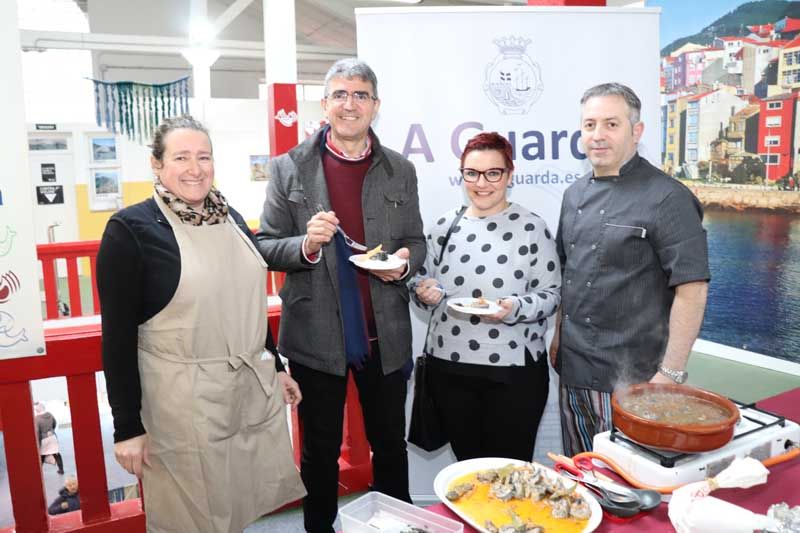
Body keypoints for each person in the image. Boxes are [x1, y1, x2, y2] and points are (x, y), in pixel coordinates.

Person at [96, 115, 306, 533]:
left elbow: (247, 299)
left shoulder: (229, 216)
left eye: (204, 157)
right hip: (181, 403)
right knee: (190, 517)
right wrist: (127, 429)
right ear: (156, 164)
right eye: (181, 157)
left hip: (245, 391)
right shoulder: (130, 231)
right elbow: (117, 341)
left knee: (238, 505)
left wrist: (276, 368)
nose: (195, 168)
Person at [256, 58, 425, 533]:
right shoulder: (288, 168)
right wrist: (306, 244)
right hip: (315, 334)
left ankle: (399, 526)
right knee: (319, 450)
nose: (350, 104)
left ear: (375, 106)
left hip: (383, 330)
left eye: (361, 95)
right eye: (340, 95)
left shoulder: (400, 169)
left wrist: (405, 262)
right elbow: (267, 245)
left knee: (390, 444)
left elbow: (417, 238)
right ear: (326, 104)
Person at [549, 83, 710, 456]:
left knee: (632, 487)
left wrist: (669, 375)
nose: (598, 136)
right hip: (573, 372)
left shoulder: (668, 197)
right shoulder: (573, 195)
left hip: (635, 382)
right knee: (582, 474)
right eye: (589, 125)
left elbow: (693, 288)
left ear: (636, 131)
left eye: (611, 124)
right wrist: (558, 336)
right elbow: (568, 273)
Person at [409, 132, 561, 461]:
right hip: (449, 369)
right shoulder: (444, 226)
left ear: (509, 175)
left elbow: (552, 295)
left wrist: (515, 307)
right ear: (462, 174)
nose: (482, 183)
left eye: (493, 173)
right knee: (469, 471)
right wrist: (422, 292)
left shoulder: (532, 227)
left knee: (510, 472)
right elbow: (421, 281)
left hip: (513, 374)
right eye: (472, 173)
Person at [35, 402, 64, 475]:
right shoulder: (50, 414)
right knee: (56, 454)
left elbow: (37, 431)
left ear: (37, 410)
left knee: (42, 456)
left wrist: (38, 443)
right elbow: (54, 423)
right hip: (52, 437)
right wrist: (52, 430)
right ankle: (61, 470)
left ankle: (39, 473)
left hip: (44, 439)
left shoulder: (37, 418)